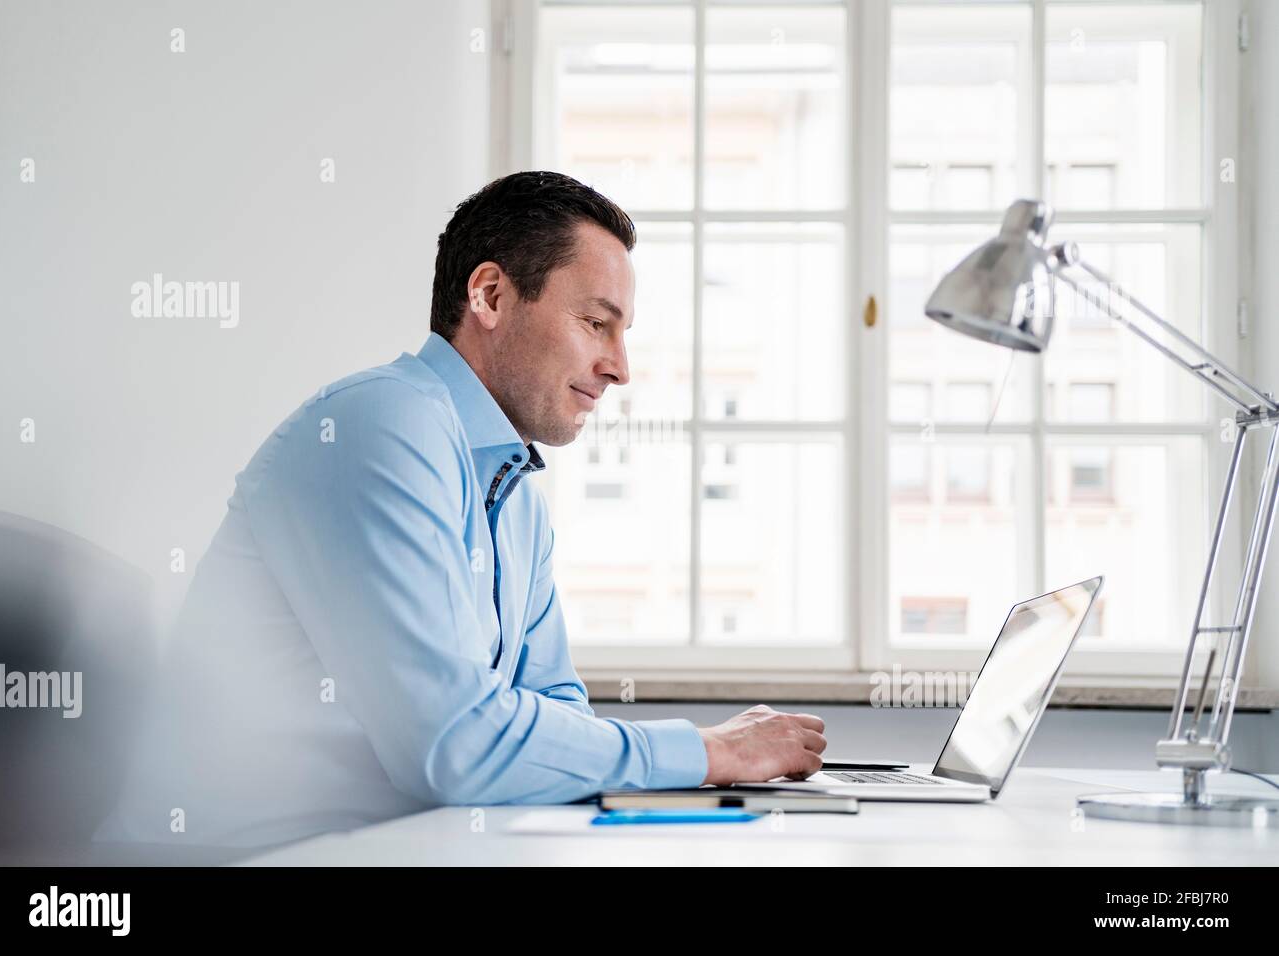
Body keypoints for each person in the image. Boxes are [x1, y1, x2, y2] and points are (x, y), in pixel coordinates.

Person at [95, 171, 826, 850]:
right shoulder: (381, 425)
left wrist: (696, 764)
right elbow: (456, 748)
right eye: (596, 323)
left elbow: (557, 722)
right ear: (491, 296)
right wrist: (710, 752)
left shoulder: (517, 498)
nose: (620, 366)